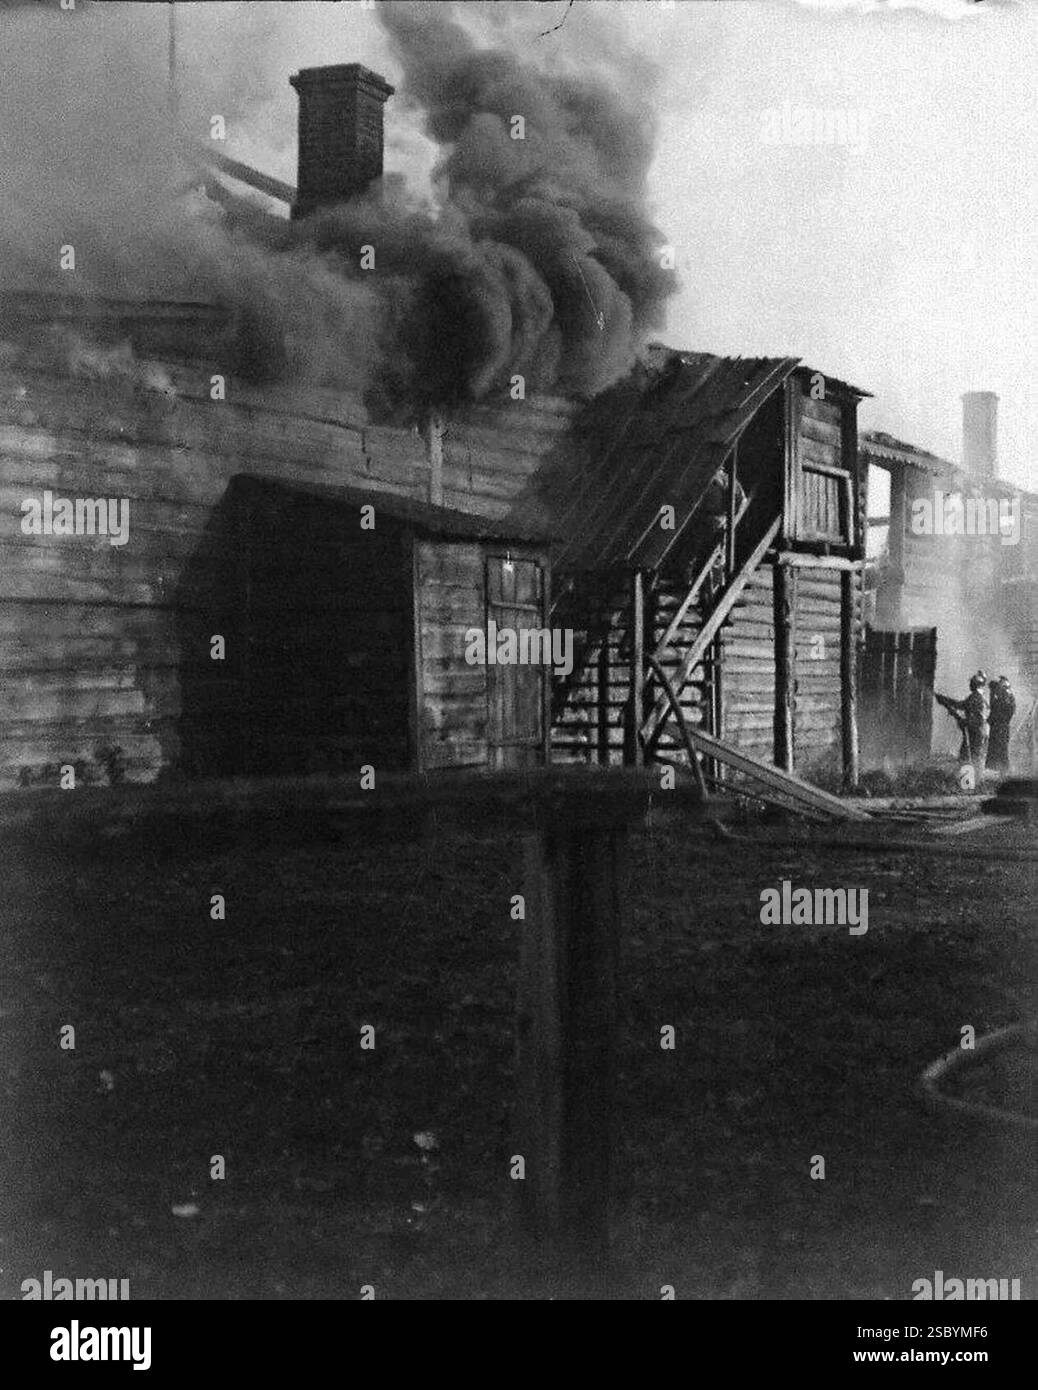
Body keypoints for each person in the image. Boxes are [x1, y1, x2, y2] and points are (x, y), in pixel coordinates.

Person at [987, 676, 1015, 774]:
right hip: (997, 728)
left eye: (1000, 689)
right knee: (995, 750)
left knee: (1002, 751)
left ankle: (1004, 771)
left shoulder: (1007, 699)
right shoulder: (1001, 698)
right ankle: (997, 771)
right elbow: (993, 708)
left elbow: (1004, 714)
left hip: (1001, 728)